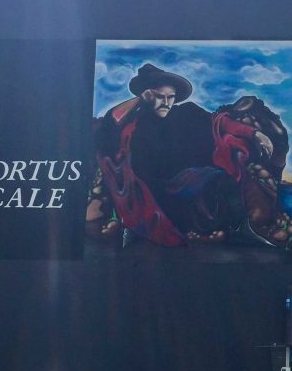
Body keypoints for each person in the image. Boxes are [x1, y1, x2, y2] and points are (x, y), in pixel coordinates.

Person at [93, 63, 278, 246]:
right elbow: (111, 121)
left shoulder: (186, 112)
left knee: (223, 181)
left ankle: (242, 230)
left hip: (186, 179)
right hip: (152, 188)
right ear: (148, 96)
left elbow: (219, 122)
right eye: (160, 97)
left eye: (170, 97)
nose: (166, 103)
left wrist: (253, 133)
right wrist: (139, 99)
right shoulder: (135, 122)